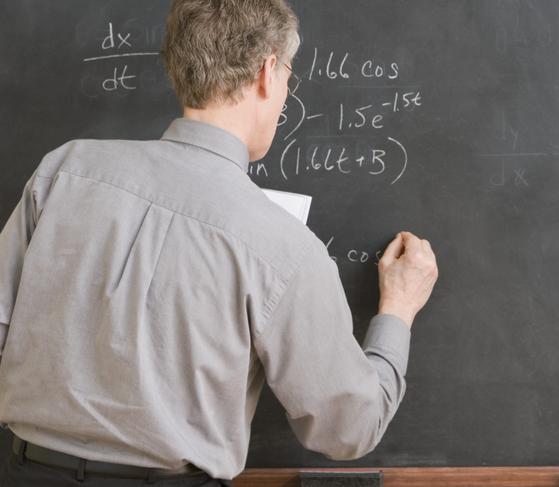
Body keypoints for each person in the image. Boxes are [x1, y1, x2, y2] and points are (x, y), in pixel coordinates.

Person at [0, 0, 439, 485]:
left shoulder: (64, 171)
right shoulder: (284, 248)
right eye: (289, 74)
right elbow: (348, 427)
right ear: (268, 73)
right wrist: (397, 311)